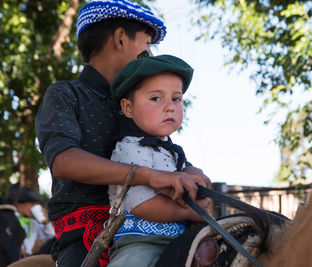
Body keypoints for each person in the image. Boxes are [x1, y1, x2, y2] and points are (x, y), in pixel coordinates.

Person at [35, 1, 210, 266]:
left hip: (160, 222)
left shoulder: (142, 101)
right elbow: (64, 161)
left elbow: (162, 152)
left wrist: (189, 171)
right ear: (120, 38)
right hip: (88, 234)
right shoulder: (65, 94)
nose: (149, 53)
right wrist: (148, 176)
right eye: (147, 43)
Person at [107, 55, 210, 267]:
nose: (170, 107)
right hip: (142, 241)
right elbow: (143, 205)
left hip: (181, 240)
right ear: (128, 108)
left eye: (176, 99)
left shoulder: (173, 153)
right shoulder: (131, 148)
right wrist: (193, 211)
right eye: (156, 98)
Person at [13, 186, 55, 257]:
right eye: (32, 204)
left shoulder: (33, 223)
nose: (34, 207)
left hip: (27, 258)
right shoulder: (10, 219)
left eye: (36, 205)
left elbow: (50, 238)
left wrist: (46, 223)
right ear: (18, 204)